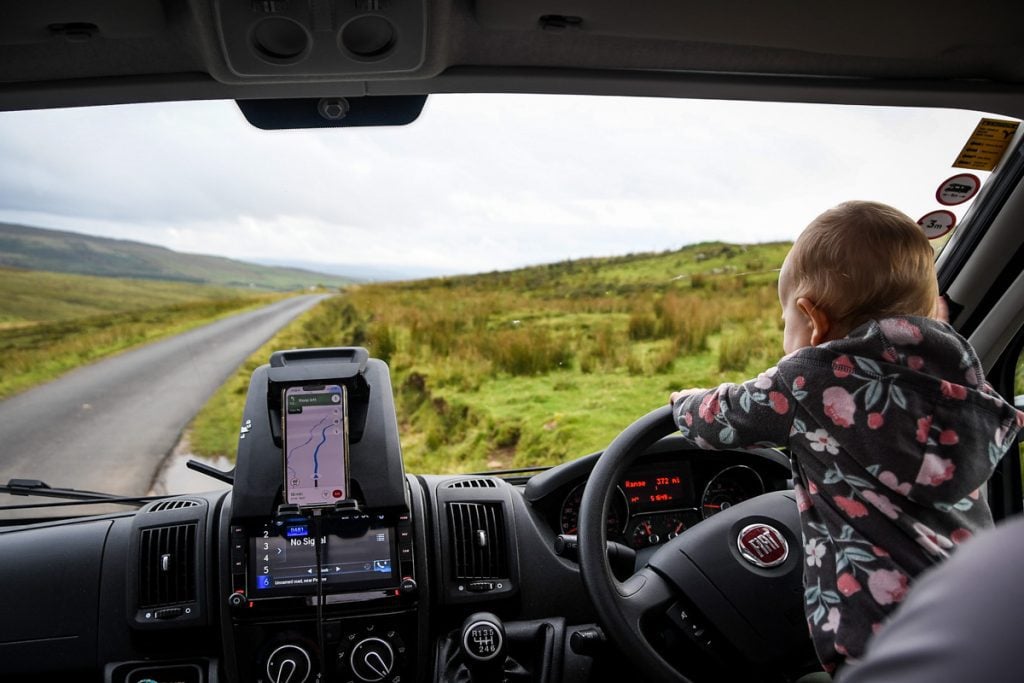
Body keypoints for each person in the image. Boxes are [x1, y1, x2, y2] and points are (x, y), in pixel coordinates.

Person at [668, 200, 1024, 675]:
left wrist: (682, 401)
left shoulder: (809, 378)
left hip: (879, 633)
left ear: (811, 319)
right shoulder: (961, 383)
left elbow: (722, 418)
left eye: (785, 323)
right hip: (970, 612)